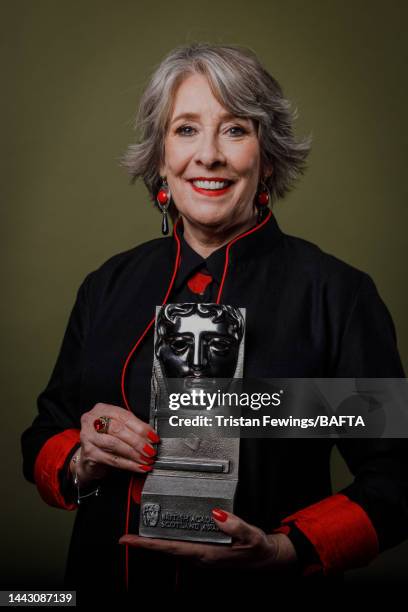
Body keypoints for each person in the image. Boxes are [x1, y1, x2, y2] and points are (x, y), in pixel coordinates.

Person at [21, 42, 408, 602]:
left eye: (234, 130)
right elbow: (43, 435)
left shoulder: (337, 295)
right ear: (160, 158)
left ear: (267, 157)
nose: (208, 155)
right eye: (185, 130)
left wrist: (286, 548)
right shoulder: (106, 286)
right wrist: (85, 458)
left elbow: (397, 478)